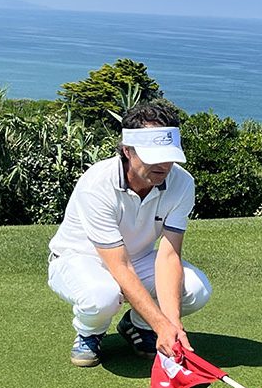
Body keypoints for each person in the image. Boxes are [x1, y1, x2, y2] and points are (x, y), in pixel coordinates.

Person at [47, 102, 212, 367]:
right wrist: (162, 324)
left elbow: (169, 257)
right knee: (103, 295)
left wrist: (172, 325)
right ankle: (89, 333)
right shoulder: (97, 184)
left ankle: (138, 325)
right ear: (127, 150)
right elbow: (118, 266)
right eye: (153, 155)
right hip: (79, 259)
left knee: (196, 289)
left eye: (168, 155)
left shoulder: (182, 183)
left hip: (138, 257)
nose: (164, 165)